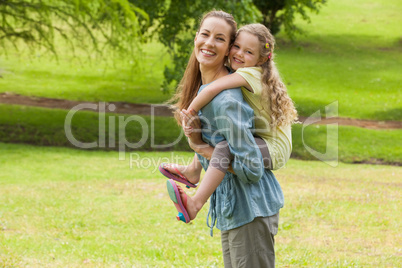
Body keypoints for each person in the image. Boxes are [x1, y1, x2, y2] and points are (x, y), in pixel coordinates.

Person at [162, 10, 284, 267]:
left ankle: (194, 199)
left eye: (219, 38)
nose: (209, 43)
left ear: (228, 49)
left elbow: (251, 169)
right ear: (195, 38)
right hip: (236, 209)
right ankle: (192, 178)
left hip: (251, 208)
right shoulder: (206, 90)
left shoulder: (227, 100)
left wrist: (200, 147)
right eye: (205, 34)